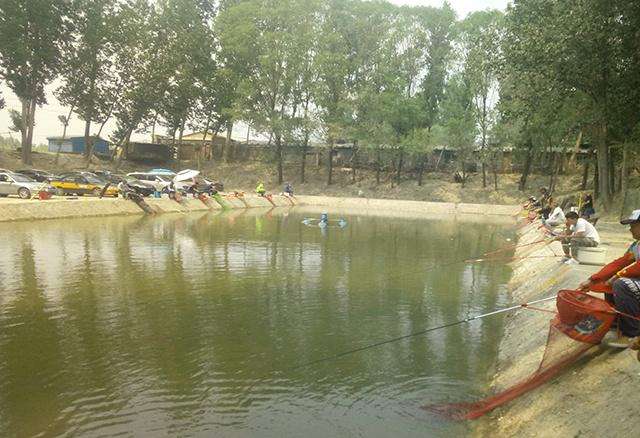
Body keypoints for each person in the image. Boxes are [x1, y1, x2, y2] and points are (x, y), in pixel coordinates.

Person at [579, 209, 640, 349]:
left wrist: (617, 276)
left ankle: (631, 333)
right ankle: (616, 321)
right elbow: (619, 263)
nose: (630, 229)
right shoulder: (636, 246)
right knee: (606, 284)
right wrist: (593, 280)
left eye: (634, 225)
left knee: (621, 284)